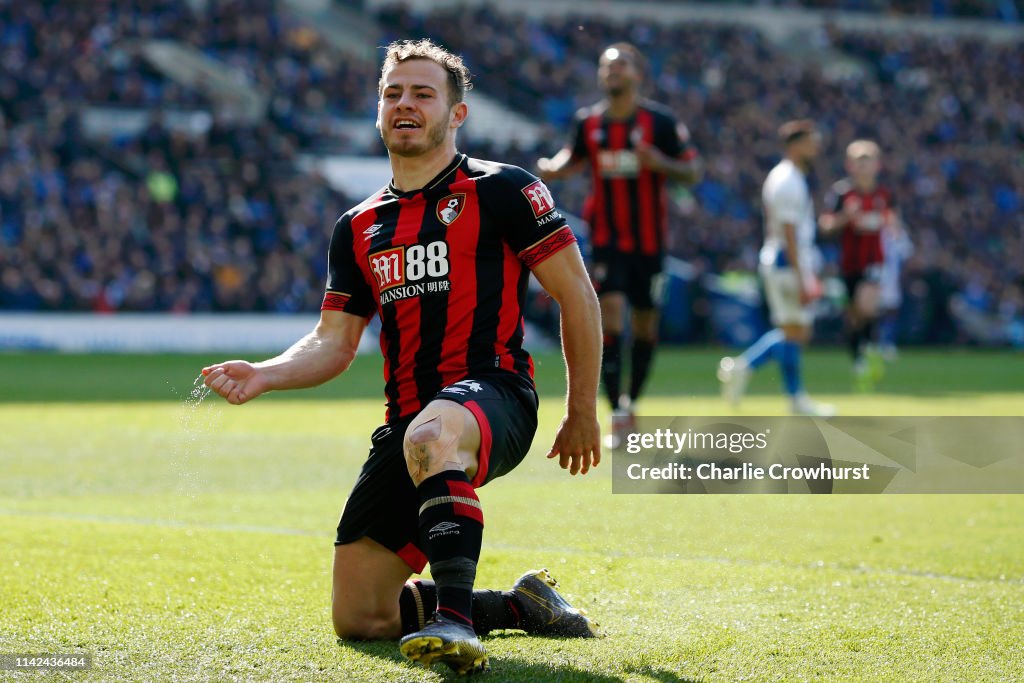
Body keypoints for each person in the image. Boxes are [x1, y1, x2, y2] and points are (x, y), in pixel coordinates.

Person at [202, 39, 602, 675]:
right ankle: (522, 608)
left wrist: (581, 409)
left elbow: (578, 297)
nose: (405, 104)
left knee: (436, 430)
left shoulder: (504, 189)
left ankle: (456, 623)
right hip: (408, 425)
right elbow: (333, 342)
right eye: (393, 93)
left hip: (494, 394)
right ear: (378, 110)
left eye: (422, 93)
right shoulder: (357, 225)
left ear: (457, 114)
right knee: (361, 616)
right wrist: (266, 373)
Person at [536, 42, 701, 439]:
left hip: (650, 243)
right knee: (609, 317)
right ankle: (617, 411)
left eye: (621, 65)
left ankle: (633, 401)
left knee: (645, 326)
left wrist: (658, 162)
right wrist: (552, 169)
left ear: (637, 75)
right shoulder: (588, 123)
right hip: (607, 240)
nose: (613, 72)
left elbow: (692, 171)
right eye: (607, 66)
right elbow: (571, 157)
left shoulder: (660, 122)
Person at [718, 120, 835, 416]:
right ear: (796, 145)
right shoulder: (788, 180)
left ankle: (757, 375)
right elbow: (789, 232)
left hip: (783, 261)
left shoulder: (787, 177)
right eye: (812, 141)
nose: (816, 147)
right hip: (786, 262)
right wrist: (802, 277)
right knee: (794, 332)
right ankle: (753, 371)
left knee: (793, 331)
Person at [819, 139, 901, 389]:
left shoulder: (884, 195)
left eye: (868, 161)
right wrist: (847, 216)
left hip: (873, 260)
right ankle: (860, 356)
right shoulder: (842, 193)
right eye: (858, 162)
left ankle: (871, 347)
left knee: (867, 303)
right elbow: (825, 225)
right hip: (848, 262)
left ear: (877, 165)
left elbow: (894, 225)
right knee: (854, 314)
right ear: (850, 165)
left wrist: (886, 224)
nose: (863, 167)